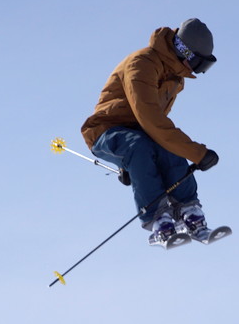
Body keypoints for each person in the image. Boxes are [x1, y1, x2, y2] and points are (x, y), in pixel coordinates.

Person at [81, 18, 220, 246]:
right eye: (197, 64)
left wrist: (134, 168)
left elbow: (157, 129)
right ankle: (159, 220)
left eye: (204, 66)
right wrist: (198, 153)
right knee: (145, 145)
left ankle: (190, 212)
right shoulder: (142, 64)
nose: (196, 72)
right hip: (105, 131)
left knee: (166, 145)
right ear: (185, 52)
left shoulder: (174, 77)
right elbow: (151, 119)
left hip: (140, 132)